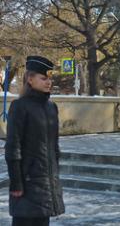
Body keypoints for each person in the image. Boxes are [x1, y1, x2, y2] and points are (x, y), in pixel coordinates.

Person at [4, 56, 65, 226]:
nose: (48, 82)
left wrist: (54, 177)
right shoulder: (19, 106)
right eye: (43, 78)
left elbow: (54, 147)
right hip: (27, 182)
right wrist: (16, 183)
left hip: (46, 183)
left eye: (49, 78)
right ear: (30, 79)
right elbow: (12, 147)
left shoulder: (51, 107)